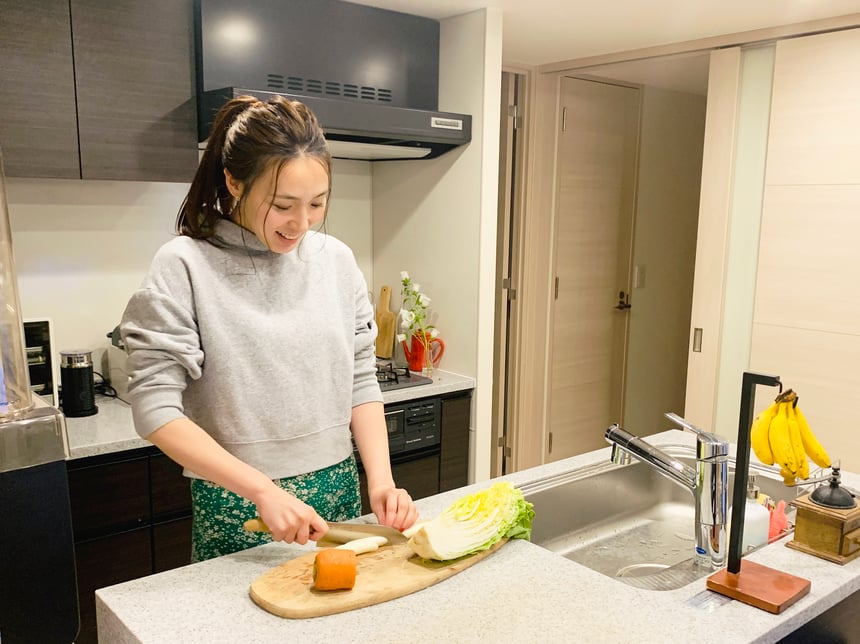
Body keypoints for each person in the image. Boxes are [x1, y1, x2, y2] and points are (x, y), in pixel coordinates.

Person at [120, 95, 418, 561]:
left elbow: (360, 379)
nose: (301, 223)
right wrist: (261, 490)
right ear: (234, 182)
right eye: (283, 205)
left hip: (339, 485)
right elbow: (155, 409)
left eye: (317, 204)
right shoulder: (184, 265)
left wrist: (380, 480)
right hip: (239, 500)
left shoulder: (336, 262)